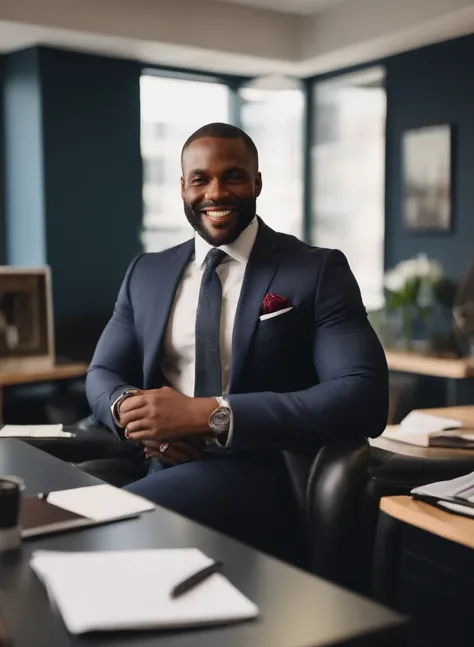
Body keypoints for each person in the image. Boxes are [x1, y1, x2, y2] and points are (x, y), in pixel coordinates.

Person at [83, 122, 389, 563]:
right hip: (154, 461)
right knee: (48, 514)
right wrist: (134, 412)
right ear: (183, 188)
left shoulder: (316, 270)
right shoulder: (145, 273)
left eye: (233, 176)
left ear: (257, 181)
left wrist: (210, 414)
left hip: (259, 472)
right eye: (200, 179)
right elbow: (102, 374)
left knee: (112, 529)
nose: (216, 192)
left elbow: (363, 395)